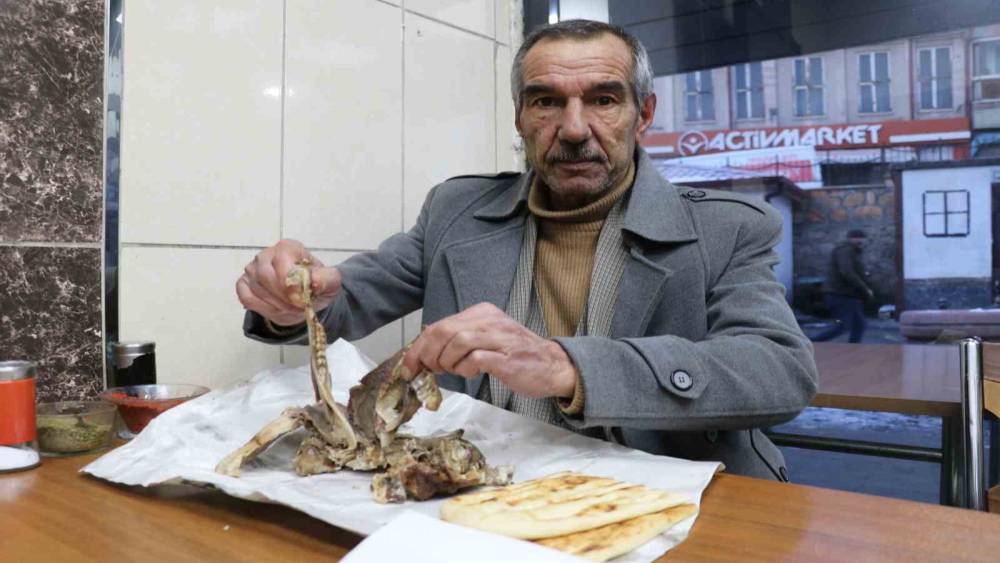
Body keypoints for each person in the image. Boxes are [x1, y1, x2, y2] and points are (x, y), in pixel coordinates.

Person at [237, 20, 818, 481]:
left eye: (603, 99)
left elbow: (778, 371)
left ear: (642, 114)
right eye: (546, 102)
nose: (573, 128)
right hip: (488, 488)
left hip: (670, 494)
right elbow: (350, 297)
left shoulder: (724, 228)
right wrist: (294, 299)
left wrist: (568, 368)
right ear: (519, 116)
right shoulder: (457, 210)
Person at [813, 229, 873, 343]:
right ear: (849, 239)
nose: (860, 241)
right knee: (844, 325)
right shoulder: (845, 251)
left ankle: (854, 348)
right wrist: (865, 288)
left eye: (862, 238)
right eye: (856, 238)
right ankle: (812, 342)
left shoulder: (853, 252)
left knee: (858, 325)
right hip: (839, 294)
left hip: (849, 295)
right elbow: (846, 272)